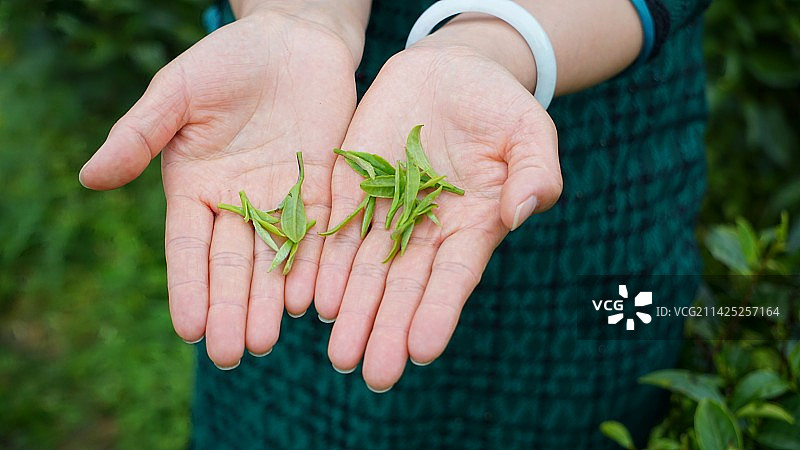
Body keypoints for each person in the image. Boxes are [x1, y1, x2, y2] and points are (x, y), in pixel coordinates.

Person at [79, 0, 710, 447]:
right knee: (281, 353)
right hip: (300, 127)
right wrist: (301, 14)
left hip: (586, 125)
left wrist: (496, 41)